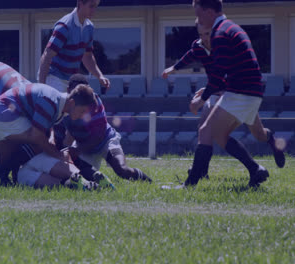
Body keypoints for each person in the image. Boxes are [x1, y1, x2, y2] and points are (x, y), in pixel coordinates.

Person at [162, 22, 285, 179]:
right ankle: (202, 172)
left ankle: (269, 145)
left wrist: (204, 95)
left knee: (258, 134)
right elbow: (192, 54)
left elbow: (225, 78)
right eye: (201, 35)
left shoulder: (224, 47)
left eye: (208, 34)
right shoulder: (199, 45)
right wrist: (174, 68)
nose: (205, 39)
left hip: (237, 93)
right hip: (220, 93)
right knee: (205, 128)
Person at [185, 0, 284, 188]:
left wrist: (200, 100)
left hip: (240, 91)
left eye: (198, 15)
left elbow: (217, 73)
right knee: (232, 135)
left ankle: (190, 184)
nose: (197, 20)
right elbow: (228, 70)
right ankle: (257, 168)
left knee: (206, 130)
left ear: (208, 13)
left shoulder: (220, 33)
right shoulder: (231, 27)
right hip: (250, 91)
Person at [0, 83, 97, 185]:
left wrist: (51, 140)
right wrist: (58, 155)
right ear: (72, 103)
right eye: (82, 111)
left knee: (11, 155)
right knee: (36, 146)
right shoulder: (50, 102)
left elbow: (43, 123)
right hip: (0, 114)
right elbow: (36, 136)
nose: (82, 116)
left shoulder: (58, 103)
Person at [38, 0, 110, 149]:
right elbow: (47, 55)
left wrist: (99, 75)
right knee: (53, 120)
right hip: (54, 78)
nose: (94, 10)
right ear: (80, 3)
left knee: (76, 117)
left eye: (96, 7)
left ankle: (66, 154)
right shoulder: (64, 26)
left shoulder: (89, 27)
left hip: (71, 81)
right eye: (91, 6)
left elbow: (87, 56)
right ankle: (45, 155)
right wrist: (42, 86)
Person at [62, 74, 152, 183]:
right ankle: (99, 180)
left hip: (105, 141)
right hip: (83, 145)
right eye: (76, 92)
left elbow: (99, 136)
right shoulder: (63, 103)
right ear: (68, 91)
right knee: (75, 171)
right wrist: (67, 150)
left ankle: (146, 180)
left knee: (122, 170)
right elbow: (70, 134)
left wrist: (77, 150)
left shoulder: (93, 102)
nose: (80, 96)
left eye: (83, 92)